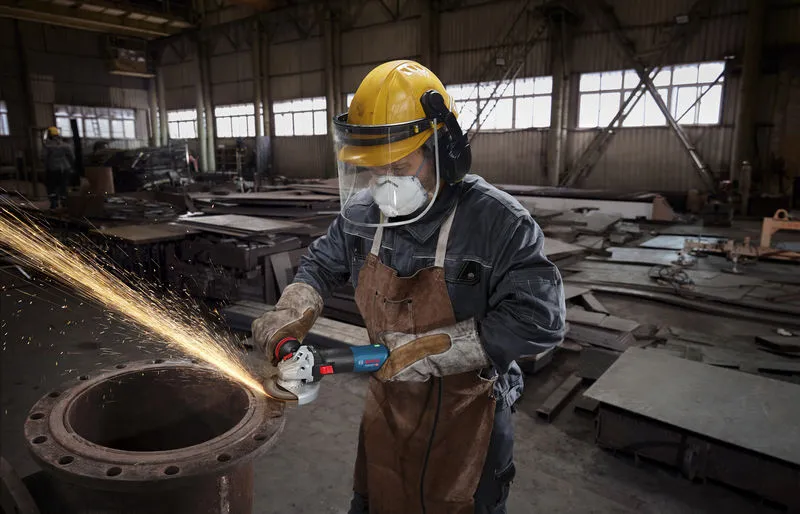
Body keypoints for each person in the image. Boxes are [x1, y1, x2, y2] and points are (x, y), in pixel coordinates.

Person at [252, 60, 566, 514]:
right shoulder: (362, 215)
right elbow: (320, 266)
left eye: (399, 164)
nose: (385, 183)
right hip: (389, 403)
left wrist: (435, 349)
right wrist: (288, 318)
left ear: (444, 150)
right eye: (374, 169)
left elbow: (541, 319)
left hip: (470, 412)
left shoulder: (499, 223)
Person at [41, 126, 75, 209]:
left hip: (52, 169)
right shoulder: (66, 145)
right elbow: (72, 157)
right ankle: (64, 203)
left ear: (49, 135)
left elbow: (43, 157)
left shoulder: (47, 146)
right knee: (63, 186)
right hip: (65, 169)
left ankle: (54, 203)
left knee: (51, 186)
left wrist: (45, 166)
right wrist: (70, 167)